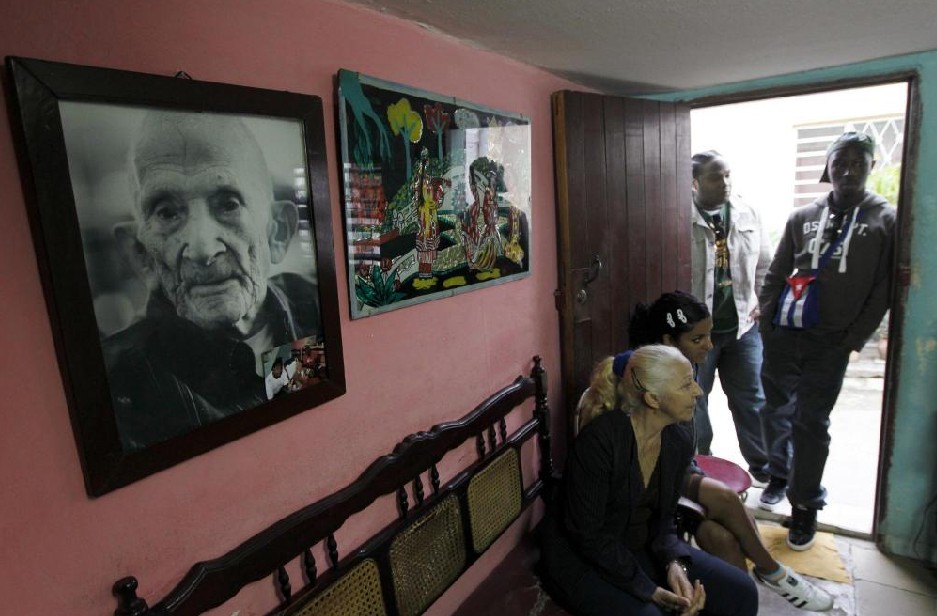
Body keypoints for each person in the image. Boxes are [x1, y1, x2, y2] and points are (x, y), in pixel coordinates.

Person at [102, 111, 321, 451]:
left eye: (228, 204)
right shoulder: (116, 384)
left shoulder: (317, 313)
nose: (203, 249)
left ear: (277, 231)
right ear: (140, 254)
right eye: (167, 213)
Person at [623, 291, 833, 611]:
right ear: (668, 339)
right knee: (722, 497)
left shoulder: (682, 366)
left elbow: (681, 444)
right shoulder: (644, 374)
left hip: (677, 466)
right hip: (654, 476)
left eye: (708, 336)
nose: (709, 345)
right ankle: (772, 572)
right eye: (698, 339)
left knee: (719, 534)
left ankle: (747, 597)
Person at [540, 344, 758, 616]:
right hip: (582, 560)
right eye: (685, 385)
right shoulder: (600, 443)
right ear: (654, 399)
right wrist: (649, 589)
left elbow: (665, 519)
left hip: (637, 549)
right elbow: (588, 536)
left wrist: (676, 564)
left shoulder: (677, 439)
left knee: (741, 591)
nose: (698, 391)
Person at [758, 131, 896, 551]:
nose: (848, 170)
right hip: (785, 335)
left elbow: (886, 287)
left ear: (872, 166)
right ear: (828, 166)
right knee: (772, 411)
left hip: (829, 344)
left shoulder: (885, 220)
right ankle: (780, 475)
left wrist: (852, 339)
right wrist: (767, 322)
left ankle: (805, 506)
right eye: (840, 161)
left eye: (858, 162)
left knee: (811, 423)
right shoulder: (802, 216)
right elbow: (777, 271)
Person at [690, 150, 771, 484]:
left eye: (727, 175)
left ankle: (765, 470)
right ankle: (699, 465)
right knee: (693, 402)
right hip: (696, 332)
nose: (724, 183)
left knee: (751, 399)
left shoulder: (746, 212)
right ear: (693, 182)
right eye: (714, 176)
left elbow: (765, 263)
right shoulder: (676, 216)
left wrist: (763, 302)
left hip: (743, 328)